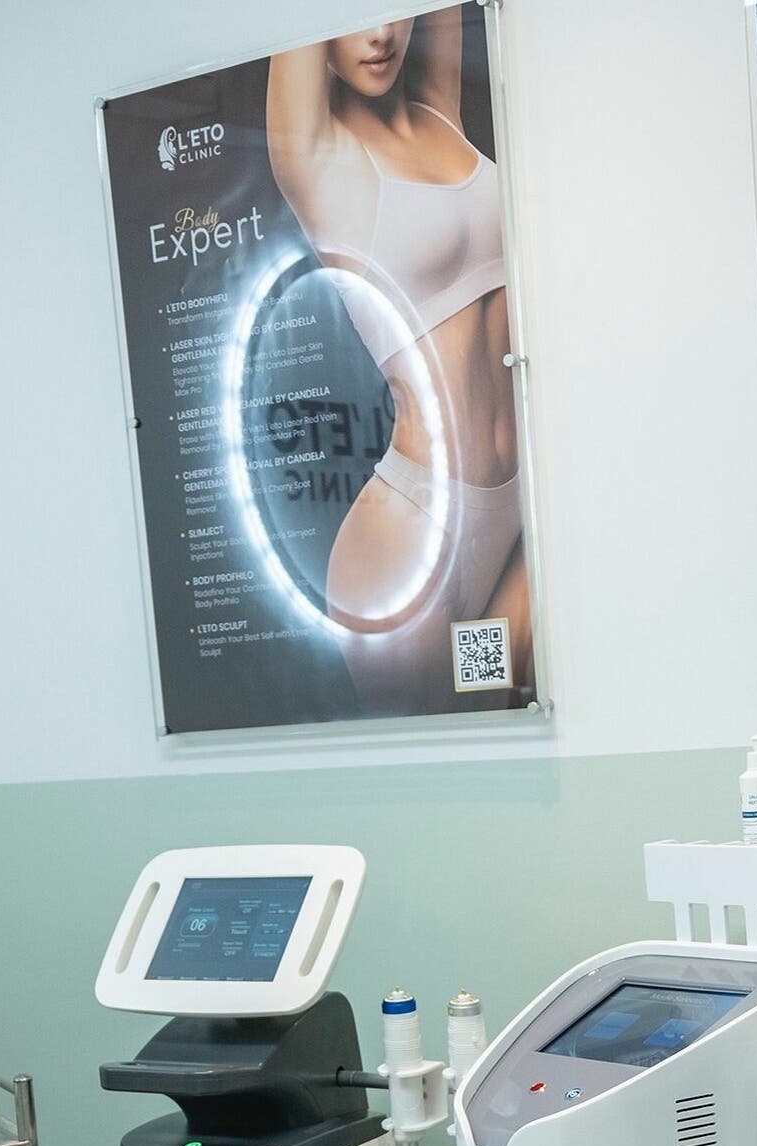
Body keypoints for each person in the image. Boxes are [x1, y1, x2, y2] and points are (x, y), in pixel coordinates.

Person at [269, 10, 528, 710]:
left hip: (524, 501)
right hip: (409, 538)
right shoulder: (316, 159)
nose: (379, 35)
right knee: (452, 789)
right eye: (353, 19)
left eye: (391, 14)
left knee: (524, 728)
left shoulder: (441, 112)